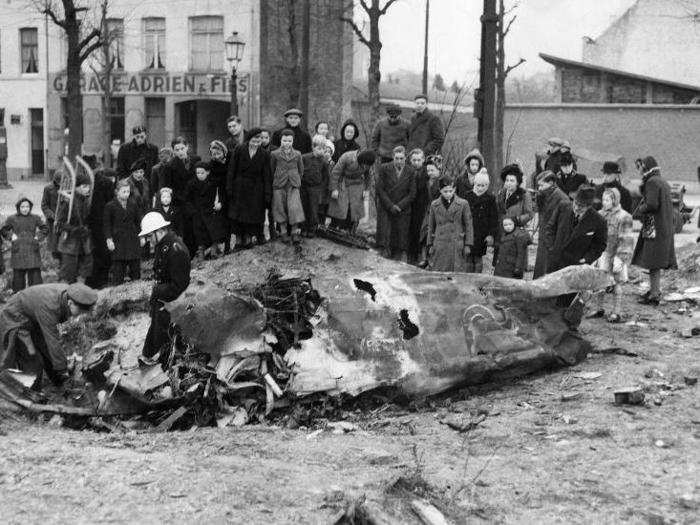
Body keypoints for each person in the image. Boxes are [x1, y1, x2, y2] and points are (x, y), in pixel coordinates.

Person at [0, 282, 97, 388]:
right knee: (33, 359)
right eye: (80, 312)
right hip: (16, 318)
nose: (80, 316)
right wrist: (63, 370)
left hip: (33, 319)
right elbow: (53, 340)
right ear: (70, 303)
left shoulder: (68, 294)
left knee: (46, 350)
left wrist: (61, 367)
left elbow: (50, 344)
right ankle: (31, 392)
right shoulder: (50, 307)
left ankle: (59, 382)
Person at [138, 212, 190, 366]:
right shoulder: (163, 246)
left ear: (158, 231)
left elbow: (179, 285)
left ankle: (164, 365)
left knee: (164, 336)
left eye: (149, 236)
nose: (148, 241)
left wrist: (158, 290)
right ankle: (149, 357)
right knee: (155, 329)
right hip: (162, 299)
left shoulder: (176, 249)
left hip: (172, 302)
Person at [631, 156, 677, 306]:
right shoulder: (661, 181)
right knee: (654, 262)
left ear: (646, 168)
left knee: (653, 262)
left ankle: (654, 294)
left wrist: (638, 211)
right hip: (663, 226)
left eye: (640, 168)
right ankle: (654, 291)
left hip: (654, 227)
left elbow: (652, 204)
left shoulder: (651, 182)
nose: (639, 171)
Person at [589, 188, 634, 322]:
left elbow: (626, 239)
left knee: (616, 283)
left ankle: (616, 311)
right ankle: (598, 308)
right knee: (599, 283)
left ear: (615, 200)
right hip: (602, 254)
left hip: (615, 255)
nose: (604, 202)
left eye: (607, 200)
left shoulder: (624, 217)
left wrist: (621, 258)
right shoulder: (599, 215)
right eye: (603, 199)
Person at [227, 128, 272, 248]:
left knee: (252, 214)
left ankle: (248, 237)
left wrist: (267, 194)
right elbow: (232, 169)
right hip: (239, 187)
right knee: (238, 214)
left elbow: (267, 175)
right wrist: (229, 187)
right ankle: (238, 239)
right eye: (255, 139)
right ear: (249, 138)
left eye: (259, 139)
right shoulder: (239, 149)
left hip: (256, 188)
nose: (257, 141)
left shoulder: (264, 154)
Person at [546, 186, 607, 272]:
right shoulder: (563, 207)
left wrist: (586, 259)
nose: (577, 208)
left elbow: (599, 245)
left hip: (576, 266)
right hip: (555, 261)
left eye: (581, 206)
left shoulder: (599, 221)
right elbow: (550, 228)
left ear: (589, 206)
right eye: (576, 203)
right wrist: (551, 248)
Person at [375, 145, 416, 261]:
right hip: (386, 206)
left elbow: (412, 193)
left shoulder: (410, 171)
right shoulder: (384, 168)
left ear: (405, 158)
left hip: (403, 207)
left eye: (401, 158)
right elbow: (380, 189)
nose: (399, 161)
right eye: (396, 158)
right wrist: (390, 205)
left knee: (400, 234)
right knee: (385, 232)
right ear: (393, 157)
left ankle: (400, 253)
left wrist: (399, 206)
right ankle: (384, 250)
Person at [426, 176, 473, 272]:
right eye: (445, 191)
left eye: (451, 191)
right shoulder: (434, 205)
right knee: (439, 271)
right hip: (440, 243)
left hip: (456, 242)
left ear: (454, 189)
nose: (448, 194)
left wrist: (468, 244)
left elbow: (468, 225)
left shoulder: (463, 204)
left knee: (456, 272)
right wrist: (430, 244)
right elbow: (431, 226)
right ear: (440, 190)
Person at [1, 197, 47, 293]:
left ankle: (35, 299)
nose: (25, 209)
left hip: (32, 251)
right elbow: (4, 230)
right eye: (22, 207)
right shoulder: (12, 218)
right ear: (18, 207)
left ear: (30, 207)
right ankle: (19, 299)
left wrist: (38, 237)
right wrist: (11, 236)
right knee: (18, 280)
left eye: (27, 206)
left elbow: (45, 228)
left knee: (35, 280)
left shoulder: (35, 218)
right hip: (18, 250)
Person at [185, 161, 227, 261]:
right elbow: (187, 200)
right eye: (197, 173)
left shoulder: (214, 182)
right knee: (199, 232)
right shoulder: (191, 184)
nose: (199, 175)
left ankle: (214, 249)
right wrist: (193, 211)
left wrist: (220, 203)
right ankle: (201, 251)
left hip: (211, 210)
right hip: (198, 211)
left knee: (214, 229)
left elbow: (222, 194)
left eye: (202, 173)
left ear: (207, 172)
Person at [56, 172, 93, 284]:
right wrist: (74, 230)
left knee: (85, 268)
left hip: (83, 241)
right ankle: (63, 295)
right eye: (84, 186)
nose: (87, 189)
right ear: (77, 187)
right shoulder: (69, 201)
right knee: (68, 271)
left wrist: (86, 230)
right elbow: (60, 223)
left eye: (88, 186)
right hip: (70, 242)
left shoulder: (86, 201)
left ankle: (79, 292)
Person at [533, 171, 571, 278]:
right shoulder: (543, 195)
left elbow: (563, 227)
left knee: (549, 271)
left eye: (542, 185)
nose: (539, 188)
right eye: (538, 185)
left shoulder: (562, 200)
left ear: (551, 183)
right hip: (543, 238)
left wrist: (554, 246)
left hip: (553, 242)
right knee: (540, 267)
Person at [327, 149, 375, 234]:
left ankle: (350, 229)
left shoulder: (368, 163)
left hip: (357, 183)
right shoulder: (347, 157)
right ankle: (333, 227)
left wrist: (366, 190)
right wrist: (334, 189)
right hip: (343, 181)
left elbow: (369, 177)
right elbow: (335, 173)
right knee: (341, 205)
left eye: (367, 165)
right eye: (364, 164)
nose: (365, 167)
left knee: (355, 207)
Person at [103, 180, 141, 285]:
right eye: (123, 191)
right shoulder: (110, 206)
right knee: (118, 270)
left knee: (135, 270)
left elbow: (138, 222)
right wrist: (109, 239)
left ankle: (137, 292)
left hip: (132, 240)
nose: (126, 194)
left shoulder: (133, 204)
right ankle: (117, 292)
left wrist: (142, 237)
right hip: (118, 241)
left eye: (128, 191)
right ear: (117, 192)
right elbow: (107, 225)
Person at [271, 129, 305, 243]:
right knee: (280, 207)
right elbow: (272, 169)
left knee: (294, 207)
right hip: (279, 184)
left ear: (292, 141)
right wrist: (276, 179)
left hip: (293, 184)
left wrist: (296, 179)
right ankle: (283, 232)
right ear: (280, 140)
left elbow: (301, 170)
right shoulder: (274, 154)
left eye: (289, 141)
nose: (287, 143)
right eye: (284, 140)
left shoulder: (298, 154)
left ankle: (295, 232)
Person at [86, 167, 116, 289]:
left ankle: (94, 280)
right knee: (104, 253)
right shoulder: (107, 184)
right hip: (104, 222)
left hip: (94, 222)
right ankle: (101, 280)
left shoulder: (92, 180)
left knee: (96, 252)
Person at [464, 172, 499, 273]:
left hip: (482, 233)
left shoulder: (490, 199)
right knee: (468, 257)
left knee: (478, 258)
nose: (480, 188)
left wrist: (491, 235)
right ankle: (468, 279)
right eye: (478, 185)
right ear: (474, 184)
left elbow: (494, 218)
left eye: (483, 185)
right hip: (469, 231)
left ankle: (478, 280)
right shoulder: (468, 196)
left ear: (487, 185)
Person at [301, 135, 331, 237]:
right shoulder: (304, 158)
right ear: (313, 147)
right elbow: (299, 171)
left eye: (323, 149)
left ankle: (312, 229)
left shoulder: (324, 162)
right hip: (304, 187)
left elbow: (326, 177)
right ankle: (303, 228)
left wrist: (321, 189)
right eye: (319, 148)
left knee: (313, 209)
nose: (321, 151)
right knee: (304, 207)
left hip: (315, 188)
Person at [406, 149, 429, 265]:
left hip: (422, 206)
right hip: (409, 206)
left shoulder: (426, 173)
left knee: (420, 231)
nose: (416, 162)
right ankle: (410, 256)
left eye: (419, 160)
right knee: (410, 231)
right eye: (414, 160)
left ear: (423, 160)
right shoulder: (407, 172)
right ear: (410, 161)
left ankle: (420, 257)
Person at [208, 140, 231, 251]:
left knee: (229, 219)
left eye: (218, 154)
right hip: (219, 193)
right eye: (214, 154)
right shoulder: (212, 165)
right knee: (220, 220)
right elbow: (213, 182)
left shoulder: (230, 161)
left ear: (224, 152)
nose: (216, 156)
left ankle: (228, 245)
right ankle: (217, 245)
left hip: (230, 192)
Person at [496, 164, 534, 228]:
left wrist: (516, 219)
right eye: (507, 180)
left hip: (517, 230)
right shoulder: (501, 193)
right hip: (502, 229)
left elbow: (529, 214)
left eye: (512, 181)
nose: (509, 183)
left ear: (517, 182)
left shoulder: (524, 194)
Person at [41, 171, 62, 260]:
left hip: (64, 221)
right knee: (54, 244)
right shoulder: (48, 188)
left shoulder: (67, 188)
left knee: (63, 244)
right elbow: (44, 205)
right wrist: (52, 215)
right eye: (59, 182)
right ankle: (55, 262)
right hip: (52, 221)